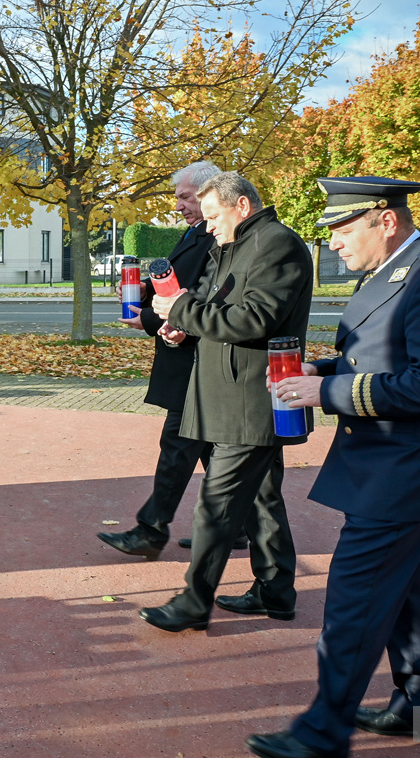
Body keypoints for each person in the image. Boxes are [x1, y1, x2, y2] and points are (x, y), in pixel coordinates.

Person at [247, 177, 420, 758]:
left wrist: (327, 393)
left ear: (387, 221)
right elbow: (378, 358)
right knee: (417, 596)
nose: (334, 244)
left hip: (405, 474)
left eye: (344, 230)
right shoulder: (393, 277)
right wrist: (322, 370)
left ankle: (323, 732)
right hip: (397, 468)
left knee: (354, 603)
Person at [141, 171, 312, 633]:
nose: (207, 225)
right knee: (261, 499)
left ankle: (195, 600)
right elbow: (211, 303)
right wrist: (183, 321)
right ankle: (276, 591)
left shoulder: (275, 244)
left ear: (242, 206)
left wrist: (182, 311)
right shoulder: (237, 244)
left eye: (213, 215)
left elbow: (255, 318)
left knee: (214, 505)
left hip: (249, 398)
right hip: (233, 394)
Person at [97, 160, 251, 559]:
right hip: (189, 355)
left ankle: (151, 530)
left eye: (185, 197)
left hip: (195, 359)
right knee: (208, 448)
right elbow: (184, 279)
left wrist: (145, 317)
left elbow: (205, 291)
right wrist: (147, 288)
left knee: (178, 444)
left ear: (206, 195)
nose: (179, 205)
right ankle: (237, 527)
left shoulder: (217, 236)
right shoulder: (200, 231)